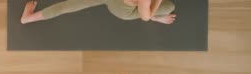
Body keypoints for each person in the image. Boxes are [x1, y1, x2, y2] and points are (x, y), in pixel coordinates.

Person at [21, 0, 176, 25]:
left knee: (70, 5)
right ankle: (159, 18)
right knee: (168, 7)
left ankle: (27, 19)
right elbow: (145, 17)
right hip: (122, 10)